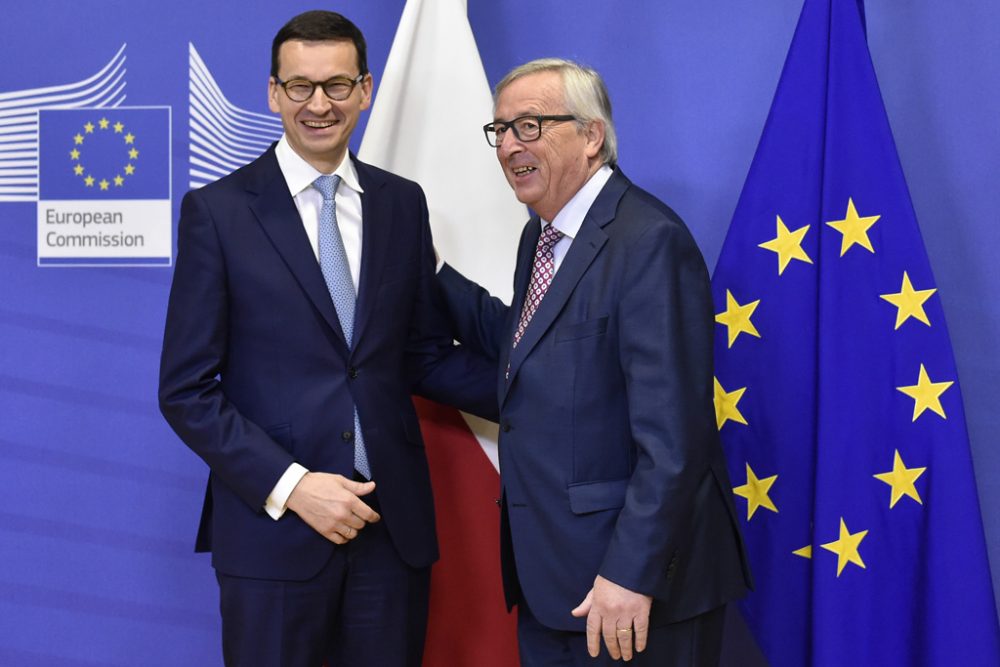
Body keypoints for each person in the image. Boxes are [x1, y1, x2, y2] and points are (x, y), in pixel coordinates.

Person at [158, 10, 490, 666]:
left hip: (390, 537)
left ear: (365, 90)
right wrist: (295, 485)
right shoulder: (218, 212)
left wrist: (539, 386)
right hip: (274, 535)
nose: (319, 104)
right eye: (300, 86)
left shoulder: (402, 204)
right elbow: (186, 389)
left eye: (337, 86)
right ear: (274, 93)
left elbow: (418, 352)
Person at [435, 59, 753, 665]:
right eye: (499, 131)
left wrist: (630, 575)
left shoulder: (648, 240)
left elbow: (673, 439)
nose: (507, 146)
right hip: (553, 581)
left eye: (528, 126)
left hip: (632, 592)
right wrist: (432, 275)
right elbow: (528, 352)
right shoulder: (544, 236)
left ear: (591, 136)